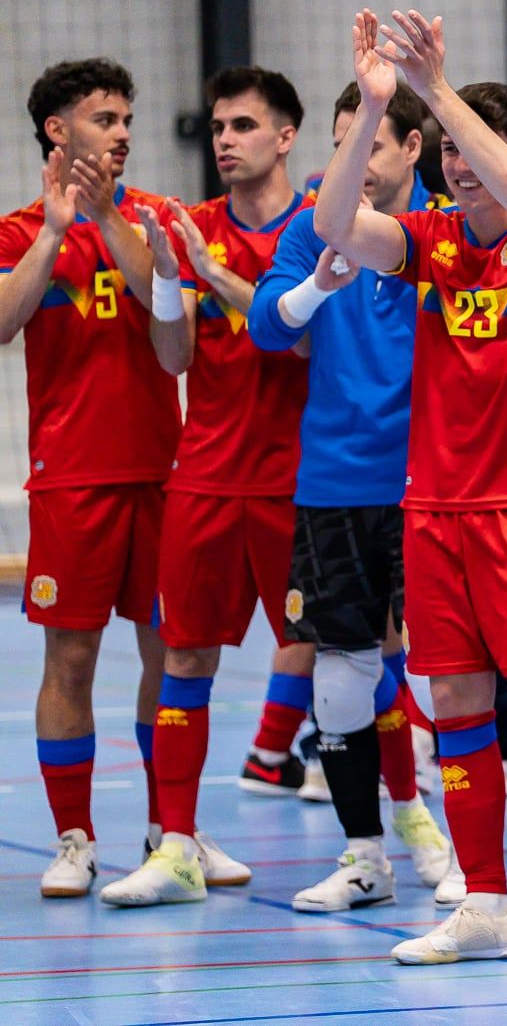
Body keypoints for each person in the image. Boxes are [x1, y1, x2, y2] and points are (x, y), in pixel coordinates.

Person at [317, 10, 507, 963]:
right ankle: (486, 903)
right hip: (435, 507)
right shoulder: (428, 240)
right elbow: (333, 224)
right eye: (445, 149)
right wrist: (379, 106)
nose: (456, 164)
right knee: (452, 700)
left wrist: (441, 87)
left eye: (468, 148)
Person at [95, 68, 314, 905]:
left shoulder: (319, 226)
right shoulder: (198, 227)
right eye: (218, 126)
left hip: (302, 479)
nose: (224, 139)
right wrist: (163, 273)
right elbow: (173, 356)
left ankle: (389, 831)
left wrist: (215, 275)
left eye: (244, 125)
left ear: (284, 137)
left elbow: (299, 345)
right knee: (185, 655)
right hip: (207, 477)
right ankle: (176, 845)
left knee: (352, 656)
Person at [248, 79, 453, 912]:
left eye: (369, 141)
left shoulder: (445, 235)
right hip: (334, 485)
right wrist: (317, 287)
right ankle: (365, 855)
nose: (353, 160)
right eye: (341, 143)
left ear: (411, 149)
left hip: (431, 485)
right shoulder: (309, 231)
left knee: (451, 672)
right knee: (339, 675)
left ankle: (470, 856)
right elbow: (268, 326)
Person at [1, 58, 176, 898]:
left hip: (165, 471)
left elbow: (160, 306)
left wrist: (107, 221)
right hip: (70, 479)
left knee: (172, 654)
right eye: (104, 117)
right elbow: (2, 320)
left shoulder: (153, 219)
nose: (122, 132)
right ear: (57, 131)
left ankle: (167, 831)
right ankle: (75, 838)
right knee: (69, 658)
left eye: (125, 118)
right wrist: (54, 231)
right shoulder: (18, 228)